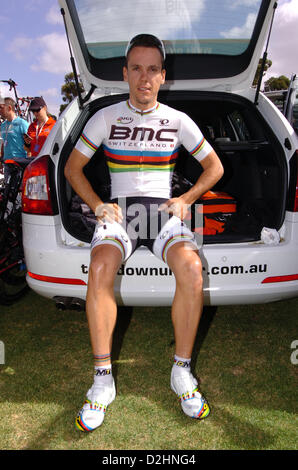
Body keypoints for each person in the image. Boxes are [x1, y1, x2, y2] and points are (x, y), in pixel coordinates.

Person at [64, 34, 224, 432]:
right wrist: (98, 204)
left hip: (161, 212)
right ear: (125, 73)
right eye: (136, 68)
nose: (144, 77)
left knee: (191, 270)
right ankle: (102, 380)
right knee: (100, 267)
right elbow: (72, 168)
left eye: (152, 69)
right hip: (122, 212)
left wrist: (187, 198)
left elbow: (215, 168)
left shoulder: (177, 120)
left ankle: (181, 372)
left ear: (162, 75)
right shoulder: (105, 116)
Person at [0, 97, 29, 184]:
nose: (0, 110)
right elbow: (3, 144)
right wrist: (1, 160)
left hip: (19, 163)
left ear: (9, 108)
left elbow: (29, 144)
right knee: (8, 193)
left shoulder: (22, 124)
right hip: (7, 163)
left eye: (1, 107)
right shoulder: (3, 125)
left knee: (19, 191)